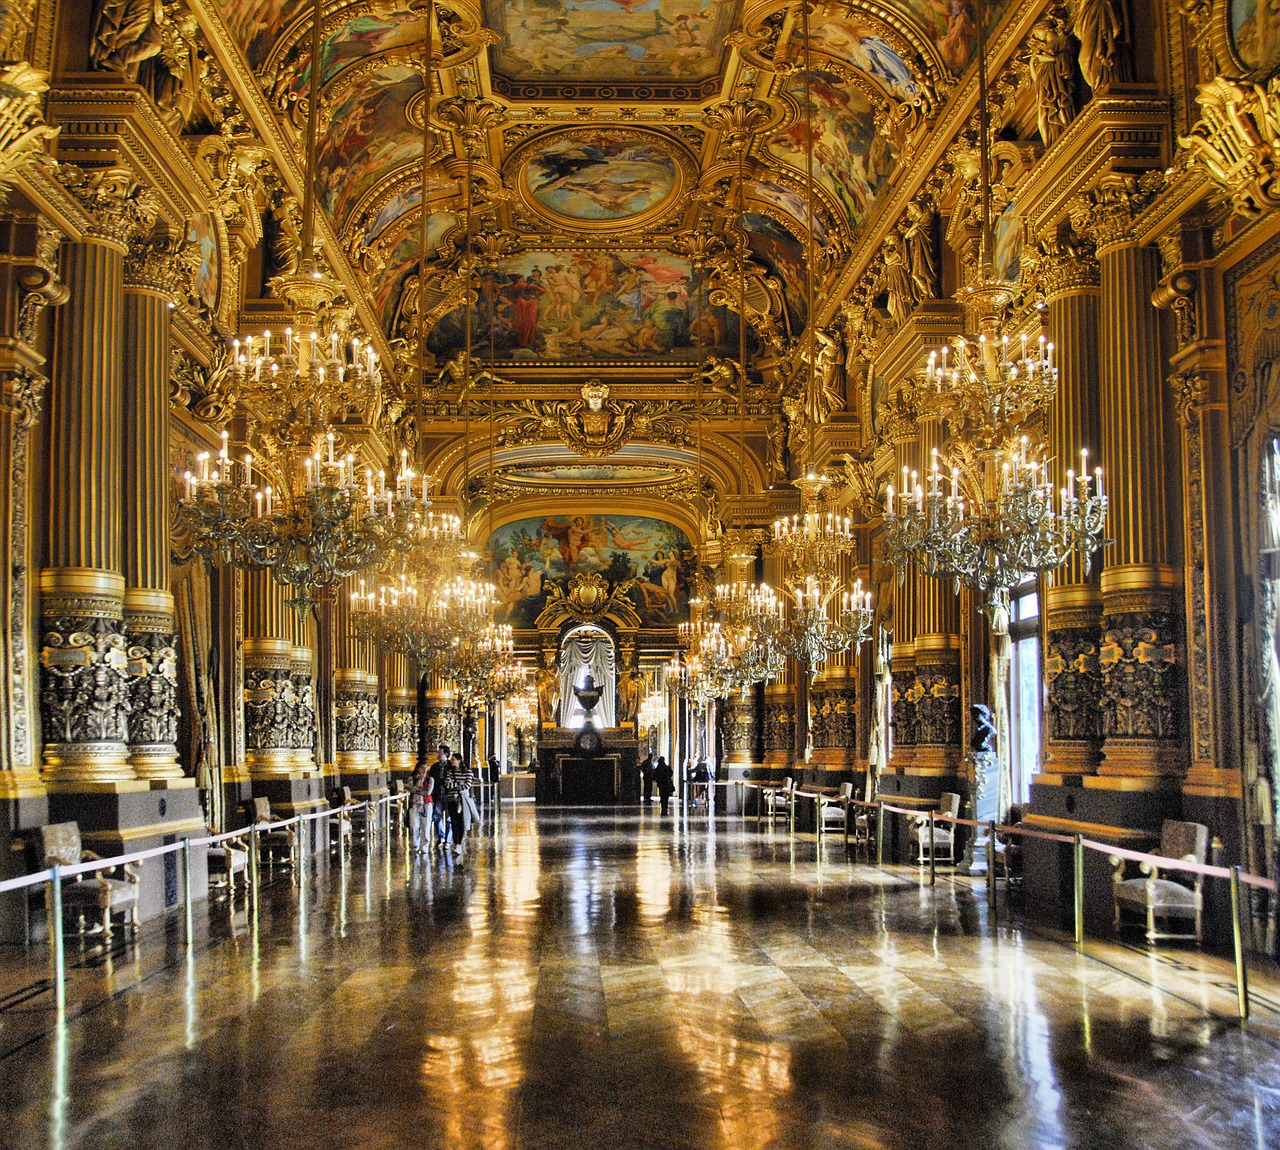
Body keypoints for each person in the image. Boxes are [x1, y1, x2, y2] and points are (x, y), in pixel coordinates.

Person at [441, 752, 476, 857]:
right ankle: (456, 842)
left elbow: (467, 785)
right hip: (452, 800)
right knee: (454, 822)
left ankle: (459, 843)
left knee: (461, 822)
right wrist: (458, 784)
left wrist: (454, 785)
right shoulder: (449, 772)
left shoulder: (468, 772)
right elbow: (447, 784)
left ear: (459, 760)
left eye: (453, 760)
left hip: (463, 800)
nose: (451, 762)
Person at [409, 762, 433, 854]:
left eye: (426, 769)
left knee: (426, 825)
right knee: (414, 825)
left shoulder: (430, 779)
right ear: (418, 768)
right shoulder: (412, 778)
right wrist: (418, 784)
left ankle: (425, 846)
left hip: (426, 803)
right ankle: (415, 844)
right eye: (422, 768)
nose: (424, 770)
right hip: (414, 804)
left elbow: (428, 792)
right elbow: (412, 789)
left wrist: (418, 791)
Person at [431, 743, 451, 848]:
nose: (438, 753)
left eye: (440, 752)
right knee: (437, 817)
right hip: (438, 795)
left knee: (449, 819)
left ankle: (448, 840)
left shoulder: (451, 766)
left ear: (446, 753)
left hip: (449, 796)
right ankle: (441, 836)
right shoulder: (434, 767)